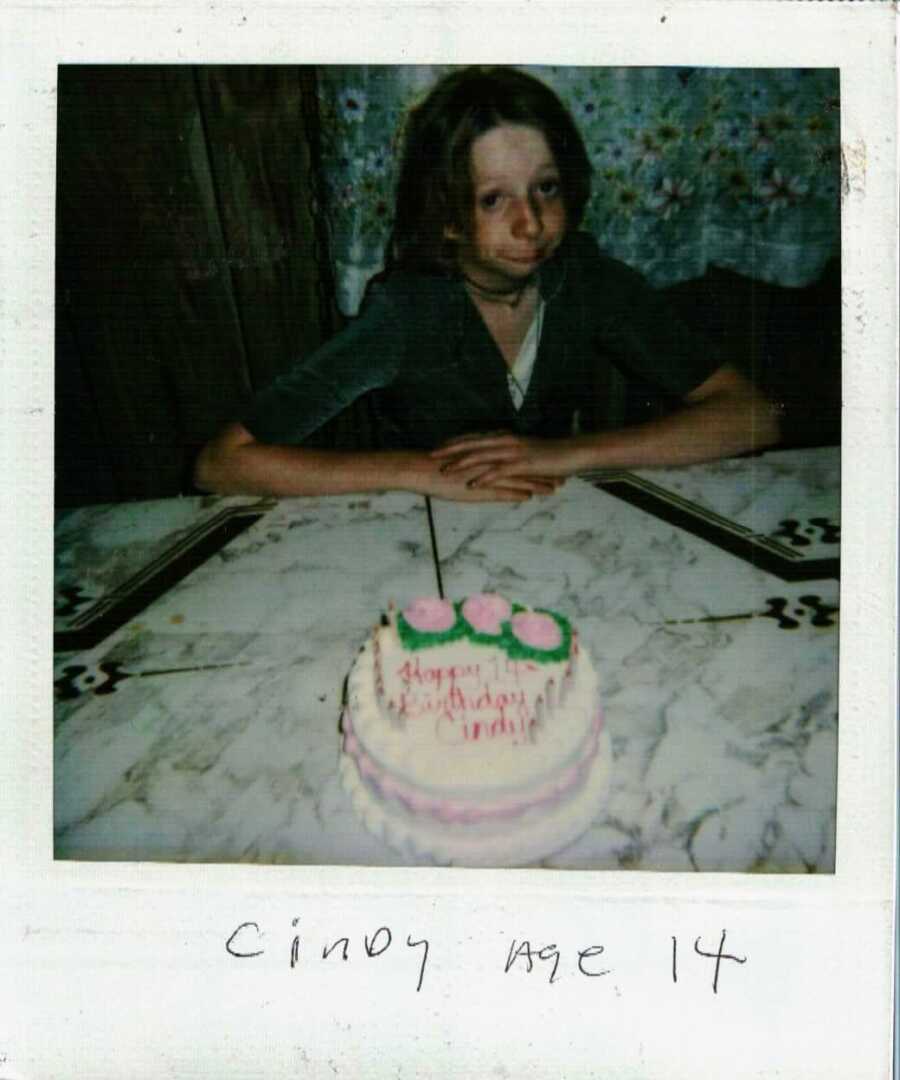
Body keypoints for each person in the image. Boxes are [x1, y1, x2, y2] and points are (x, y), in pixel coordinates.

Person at [194, 66, 780, 503]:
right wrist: (419, 472)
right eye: (493, 199)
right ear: (446, 216)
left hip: (551, 515)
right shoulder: (406, 310)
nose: (531, 223)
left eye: (545, 188)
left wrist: (565, 453)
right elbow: (222, 464)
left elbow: (753, 415)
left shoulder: (585, 277)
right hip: (424, 530)